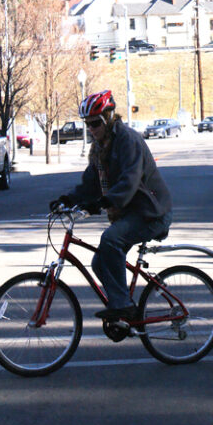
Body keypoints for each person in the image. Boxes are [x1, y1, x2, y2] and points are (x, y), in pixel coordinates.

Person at [50, 90, 173, 321]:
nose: (91, 129)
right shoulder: (99, 147)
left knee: (110, 240)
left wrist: (105, 202)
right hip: (132, 213)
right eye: (87, 124)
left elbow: (130, 180)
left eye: (95, 123)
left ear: (107, 118)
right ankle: (124, 310)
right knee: (100, 261)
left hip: (152, 212)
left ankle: (123, 305)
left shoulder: (128, 140)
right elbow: (90, 183)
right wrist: (67, 199)